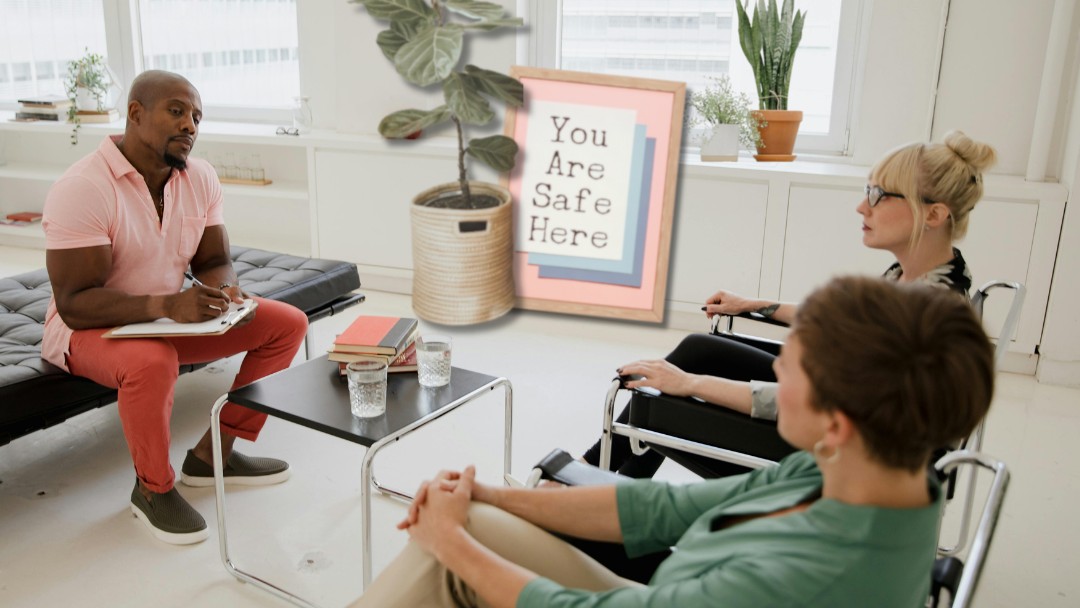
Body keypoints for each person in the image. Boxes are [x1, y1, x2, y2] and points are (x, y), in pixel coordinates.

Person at [354, 276, 995, 607]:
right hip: (671, 595)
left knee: (450, 556)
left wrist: (452, 544)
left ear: (837, 421)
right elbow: (659, 511)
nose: (771, 375)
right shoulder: (853, 470)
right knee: (477, 519)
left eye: (789, 370)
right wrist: (491, 495)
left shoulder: (805, 579)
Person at [585, 130, 998, 478]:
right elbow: (843, 324)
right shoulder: (927, 278)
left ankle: (586, 494)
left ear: (934, 214)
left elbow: (817, 404)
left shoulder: (922, 314)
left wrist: (689, 384)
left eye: (879, 194)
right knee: (699, 350)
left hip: (836, 457)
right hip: (837, 414)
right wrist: (755, 305)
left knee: (656, 403)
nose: (862, 205)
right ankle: (588, 487)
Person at [41, 70, 308, 545]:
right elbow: (75, 304)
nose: (190, 125)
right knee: (152, 359)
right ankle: (152, 488)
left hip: (167, 318)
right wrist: (170, 304)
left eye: (197, 117)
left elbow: (214, 260)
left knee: (286, 324)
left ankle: (213, 456)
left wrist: (224, 293)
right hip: (89, 331)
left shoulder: (199, 177)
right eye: (177, 110)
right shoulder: (84, 186)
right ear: (136, 113)